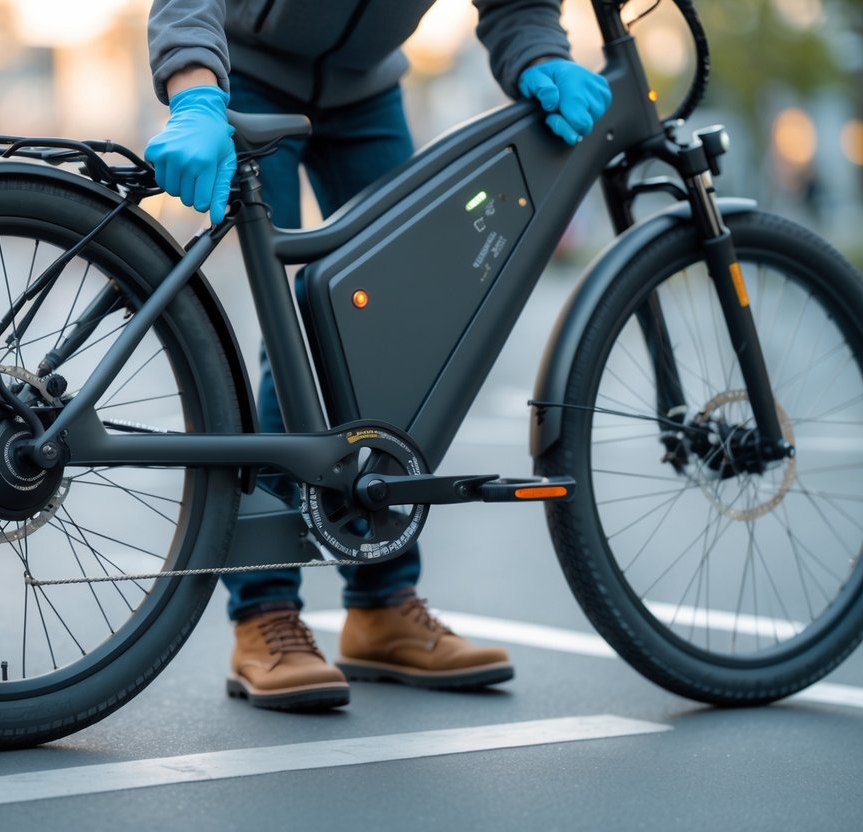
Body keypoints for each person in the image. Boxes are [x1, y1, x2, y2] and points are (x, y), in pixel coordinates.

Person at [144, 0, 611, 712]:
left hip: (365, 89)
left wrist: (538, 52)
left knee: (399, 332)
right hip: (245, 75)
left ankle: (381, 604)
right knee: (293, 345)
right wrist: (195, 86)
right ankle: (264, 614)